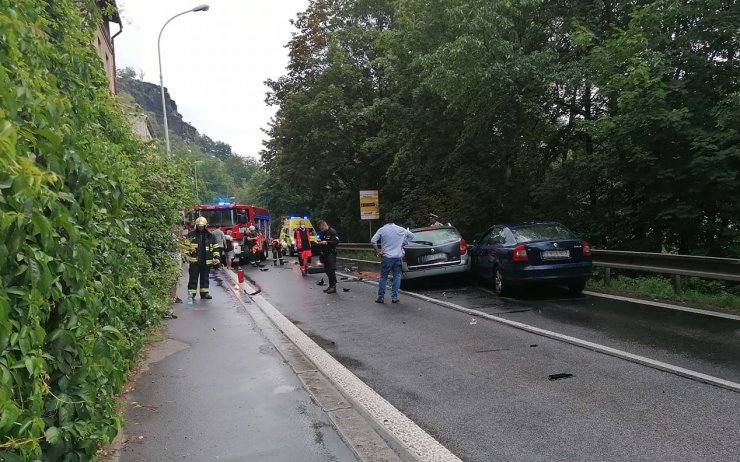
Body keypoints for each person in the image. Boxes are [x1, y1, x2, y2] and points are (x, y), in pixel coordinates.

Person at [371, 215, 414, 304]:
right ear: (394, 221)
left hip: (387, 257)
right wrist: (404, 243)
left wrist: (378, 252)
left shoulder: (382, 229)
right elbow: (411, 235)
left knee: (383, 277)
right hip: (398, 257)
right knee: (397, 276)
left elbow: (373, 240)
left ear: (385, 221)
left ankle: (381, 297)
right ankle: (394, 297)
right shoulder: (400, 229)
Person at [186, 216, 220, 300]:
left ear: (205, 226)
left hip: (206, 261)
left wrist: (216, 257)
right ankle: (191, 295)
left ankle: (204, 293)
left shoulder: (210, 236)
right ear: (196, 225)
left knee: (205, 278)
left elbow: (215, 248)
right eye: (199, 226)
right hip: (194, 261)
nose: (200, 227)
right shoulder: (191, 235)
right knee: (193, 278)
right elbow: (186, 247)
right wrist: (186, 256)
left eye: (202, 226)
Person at [315, 220, 339, 293]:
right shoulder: (323, 232)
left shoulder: (332, 231)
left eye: (321, 228)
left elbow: (336, 241)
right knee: (327, 270)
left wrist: (327, 242)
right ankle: (330, 285)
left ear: (324, 225)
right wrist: (319, 241)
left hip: (331, 253)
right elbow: (321, 239)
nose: (321, 230)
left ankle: (333, 287)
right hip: (324, 254)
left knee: (331, 270)